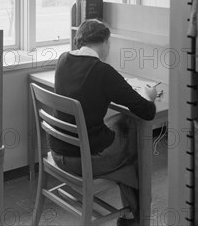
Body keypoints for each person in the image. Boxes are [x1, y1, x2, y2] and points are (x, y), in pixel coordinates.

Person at [49, 19, 157, 226]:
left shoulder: (63, 60)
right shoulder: (102, 71)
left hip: (57, 150)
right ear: (105, 42)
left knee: (122, 123)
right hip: (82, 160)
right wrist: (150, 95)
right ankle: (135, 218)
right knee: (136, 141)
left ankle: (129, 216)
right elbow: (147, 111)